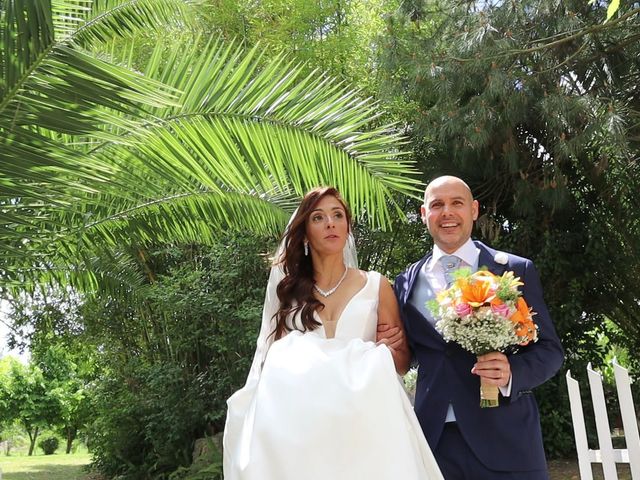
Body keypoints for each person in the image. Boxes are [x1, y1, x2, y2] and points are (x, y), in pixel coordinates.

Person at [223, 186, 444, 480]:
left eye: (337, 215)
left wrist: (390, 350)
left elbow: (401, 363)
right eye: (318, 217)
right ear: (304, 233)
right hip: (301, 432)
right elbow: (269, 360)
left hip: (363, 427)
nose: (330, 223)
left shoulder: (376, 286)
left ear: (347, 227)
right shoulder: (288, 293)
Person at [386, 175, 564, 480]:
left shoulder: (513, 269)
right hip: (434, 444)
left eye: (457, 203)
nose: (447, 213)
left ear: (474, 210)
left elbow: (550, 351)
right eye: (437, 205)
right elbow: (409, 356)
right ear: (423, 213)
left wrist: (512, 372)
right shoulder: (404, 282)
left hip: (506, 439)